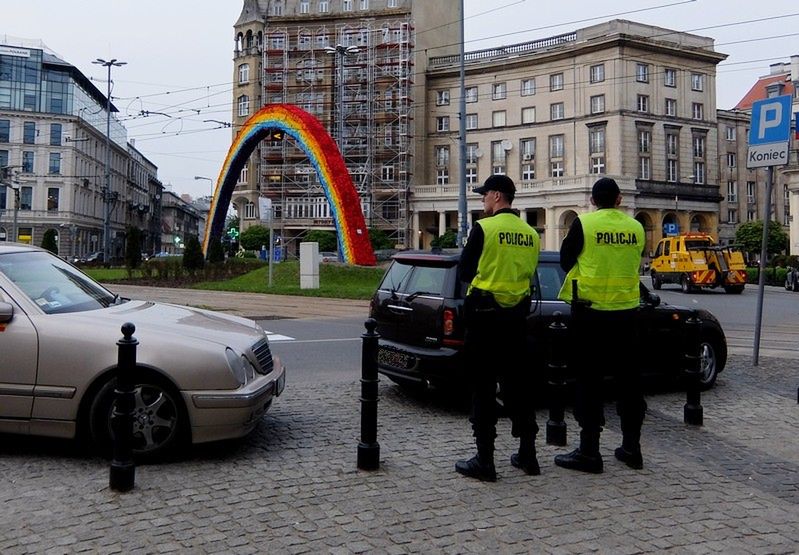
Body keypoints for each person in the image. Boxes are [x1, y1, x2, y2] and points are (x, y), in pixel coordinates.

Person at [554, 177, 646, 474]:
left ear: (593, 200)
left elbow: (566, 260)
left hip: (591, 313)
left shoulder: (585, 224)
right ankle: (632, 448)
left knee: (588, 381)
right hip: (627, 312)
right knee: (630, 383)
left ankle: (590, 451)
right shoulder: (636, 227)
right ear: (619, 199)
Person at [455, 174, 541, 482]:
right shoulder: (531, 233)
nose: (481, 201)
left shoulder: (485, 228)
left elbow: (465, 269)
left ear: (496, 196)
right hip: (516, 320)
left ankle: (485, 460)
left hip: (484, 319)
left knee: (483, 388)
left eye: (484, 195)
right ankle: (528, 455)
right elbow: (529, 272)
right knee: (519, 386)